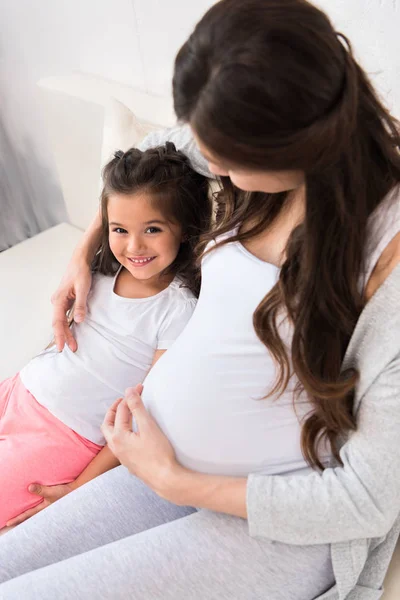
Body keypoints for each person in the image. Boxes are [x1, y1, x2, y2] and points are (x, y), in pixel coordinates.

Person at [0, 0, 400, 598]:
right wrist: (84, 254)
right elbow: (150, 159)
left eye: (223, 156)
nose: (206, 160)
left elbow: (364, 500)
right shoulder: (256, 165)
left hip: (265, 525)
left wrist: (174, 480)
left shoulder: (386, 257)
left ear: (298, 143)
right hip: (153, 463)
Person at [0, 142, 211, 529]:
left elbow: (143, 413)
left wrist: (80, 489)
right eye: (120, 230)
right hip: (18, 389)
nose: (134, 246)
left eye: (152, 229)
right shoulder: (98, 272)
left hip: (62, 436)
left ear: (183, 228)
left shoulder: (177, 310)